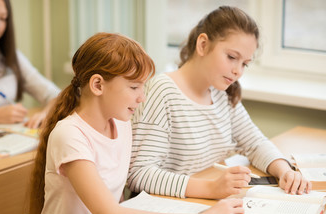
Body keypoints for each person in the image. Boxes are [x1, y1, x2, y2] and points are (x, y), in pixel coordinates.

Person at [28, 32, 245, 214]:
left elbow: (117, 203)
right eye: (134, 87)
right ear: (97, 85)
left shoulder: (121, 124)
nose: (142, 97)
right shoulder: (70, 135)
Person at [128, 6, 311, 200]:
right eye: (232, 57)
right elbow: (139, 174)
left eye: (244, 63)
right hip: (167, 208)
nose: (238, 71)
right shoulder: (162, 92)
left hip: (204, 204)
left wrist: (284, 172)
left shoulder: (221, 91)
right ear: (203, 45)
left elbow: (255, 143)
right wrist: (210, 188)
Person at [0, 0, 60, 129]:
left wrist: (47, 113)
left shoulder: (13, 57)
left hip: (7, 140)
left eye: (3, 18)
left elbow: (55, 94)